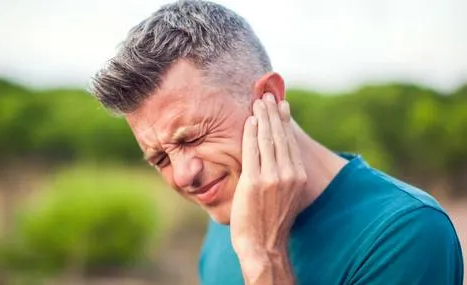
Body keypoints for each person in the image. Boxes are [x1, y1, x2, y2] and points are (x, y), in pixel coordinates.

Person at [90, 1, 464, 284]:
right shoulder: (224, 208)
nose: (185, 176)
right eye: (159, 159)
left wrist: (264, 258)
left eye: (194, 137)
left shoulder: (404, 233)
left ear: (268, 96)